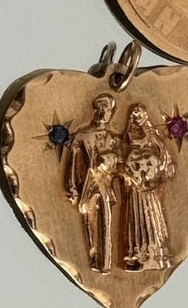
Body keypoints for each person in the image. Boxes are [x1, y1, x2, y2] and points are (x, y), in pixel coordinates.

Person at [65, 94, 122, 273]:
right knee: (90, 224)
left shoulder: (114, 138)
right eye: (101, 108)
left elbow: (120, 164)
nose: (104, 112)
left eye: (108, 109)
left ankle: (106, 262)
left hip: (106, 185)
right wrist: (72, 188)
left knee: (106, 222)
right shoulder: (82, 136)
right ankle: (94, 259)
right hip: (88, 186)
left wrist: (111, 162)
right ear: (95, 110)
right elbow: (73, 164)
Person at [117, 105, 176, 271]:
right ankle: (137, 253)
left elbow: (163, 156)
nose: (137, 118)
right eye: (134, 115)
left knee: (152, 215)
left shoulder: (153, 136)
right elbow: (121, 159)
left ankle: (156, 252)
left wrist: (155, 174)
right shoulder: (126, 137)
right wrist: (129, 173)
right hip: (134, 187)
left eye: (139, 115)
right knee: (136, 217)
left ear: (144, 116)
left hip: (149, 187)